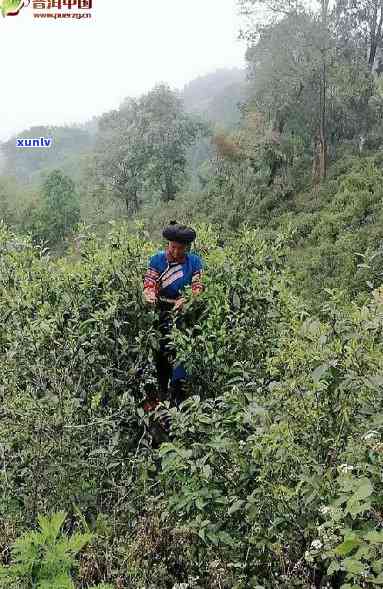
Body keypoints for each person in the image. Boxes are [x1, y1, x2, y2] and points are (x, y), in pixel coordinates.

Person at [143, 221, 204, 424]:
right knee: (161, 362)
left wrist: (186, 299)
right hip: (161, 318)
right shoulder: (157, 260)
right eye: (172, 246)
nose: (175, 251)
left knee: (181, 363)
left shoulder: (194, 262)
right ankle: (162, 406)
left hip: (184, 321)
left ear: (187, 248)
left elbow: (197, 288)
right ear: (168, 244)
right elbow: (149, 282)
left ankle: (179, 409)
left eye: (180, 248)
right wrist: (149, 293)